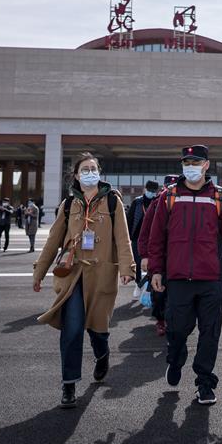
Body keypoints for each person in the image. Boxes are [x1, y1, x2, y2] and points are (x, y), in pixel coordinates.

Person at [32, 153, 136, 409]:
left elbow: (123, 238)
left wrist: (127, 268)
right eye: (84, 170)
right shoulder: (68, 205)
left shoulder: (113, 202)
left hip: (101, 276)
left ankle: (102, 355)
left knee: (98, 330)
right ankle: (69, 384)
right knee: (73, 327)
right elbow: (53, 240)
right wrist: (39, 272)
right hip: (73, 275)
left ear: (99, 173)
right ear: (76, 176)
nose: (90, 173)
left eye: (93, 169)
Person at [147, 145, 222, 406]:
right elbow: (157, 238)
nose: (190, 166)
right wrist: (155, 270)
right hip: (178, 278)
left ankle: (204, 382)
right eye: (186, 162)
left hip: (211, 278)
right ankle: (175, 358)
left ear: (206, 165)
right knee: (178, 329)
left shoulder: (219, 198)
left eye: (196, 162)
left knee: (210, 332)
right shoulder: (168, 196)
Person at [138, 175, 179, 336]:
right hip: (159, 258)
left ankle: (174, 321)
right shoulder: (156, 205)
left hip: (178, 258)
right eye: (168, 186)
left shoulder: (184, 204)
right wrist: (145, 256)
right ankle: (161, 320)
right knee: (159, 293)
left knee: (177, 295)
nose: (171, 189)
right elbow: (145, 232)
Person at [128, 180, 160, 298]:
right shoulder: (137, 202)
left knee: (152, 264)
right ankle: (138, 283)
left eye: (153, 191)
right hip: (137, 238)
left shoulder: (157, 202)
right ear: (145, 189)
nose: (151, 193)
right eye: (149, 190)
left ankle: (149, 287)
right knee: (137, 262)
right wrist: (129, 236)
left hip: (152, 239)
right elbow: (129, 220)